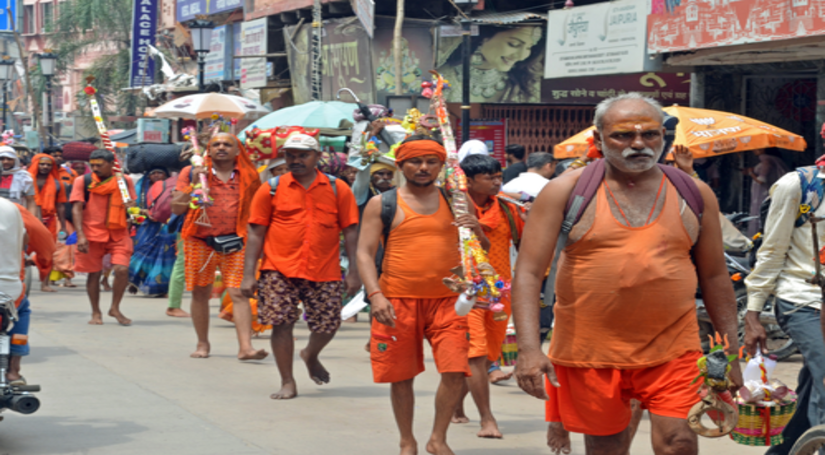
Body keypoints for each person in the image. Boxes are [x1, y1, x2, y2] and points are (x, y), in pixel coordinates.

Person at [511, 93, 743, 455]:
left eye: (650, 134)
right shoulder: (565, 191)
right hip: (589, 352)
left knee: (679, 443)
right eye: (623, 135)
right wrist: (528, 349)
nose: (638, 144)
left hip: (674, 349)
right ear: (599, 138)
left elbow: (715, 278)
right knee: (607, 449)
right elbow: (527, 272)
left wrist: (730, 355)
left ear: (663, 137)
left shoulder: (694, 193)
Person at [356, 136, 482, 455]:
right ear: (400, 165)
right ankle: (407, 440)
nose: (423, 167)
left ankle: (437, 439)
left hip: (448, 303)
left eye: (431, 161)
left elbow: (483, 254)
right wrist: (376, 296)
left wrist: (477, 231)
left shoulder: (458, 201)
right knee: (401, 376)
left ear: (442, 166)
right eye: (415, 161)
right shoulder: (382, 203)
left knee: (456, 371)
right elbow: (364, 253)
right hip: (396, 302)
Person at [242, 133, 361, 400]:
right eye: (290, 155)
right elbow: (256, 234)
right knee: (281, 324)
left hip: (324, 268)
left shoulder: (337, 188)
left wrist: (354, 271)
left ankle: (311, 354)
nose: (295, 160)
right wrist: (249, 274)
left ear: (317, 157)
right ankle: (287, 381)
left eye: (303, 155)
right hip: (278, 268)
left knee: (327, 324)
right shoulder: (270, 188)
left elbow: (351, 232)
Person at [744, 157, 825, 454]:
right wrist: (753, 313)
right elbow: (772, 250)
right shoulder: (799, 186)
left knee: (815, 384)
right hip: (803, 300)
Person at [172, 133, 268, 361]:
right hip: (199, 241)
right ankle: (202, 343)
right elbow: (176, 208)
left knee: (239, 292)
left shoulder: (249, 175)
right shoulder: (191, 172)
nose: (221, 148)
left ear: (237, 151)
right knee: (200, 291)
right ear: (208, 150)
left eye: (227, 144)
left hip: (236, 240)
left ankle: (246, 347)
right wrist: (195, 183)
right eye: (216, 144)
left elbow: (259, 211)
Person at [452, 153, 523, 439]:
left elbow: (523, 243)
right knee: (476, 353)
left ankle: (455, 404)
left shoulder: (508, 209)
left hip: (499, 291)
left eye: (498, 176)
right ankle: (487, 419)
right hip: (466, 292)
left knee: (488, 354)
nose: (497, 182)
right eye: (490, 178)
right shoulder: (450, 207)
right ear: (468, 181)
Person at [70, 149, 136, 326]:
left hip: (119, 232)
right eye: (92, 165)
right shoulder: (82, 181)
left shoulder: (125, 181)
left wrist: (132, 207)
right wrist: (81, 236)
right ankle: (96, 312)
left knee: (122, 270)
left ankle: (115, 307)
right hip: (91, 233)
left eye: (99, 165)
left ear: (111, 165)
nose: (95, 168)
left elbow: (132, 205)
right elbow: (76, 208)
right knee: (94, 274)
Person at [0, 198, 54, 385]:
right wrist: (43, 262)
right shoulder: (13, 209)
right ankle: (14, 370)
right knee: (21, 313)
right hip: (9, 290)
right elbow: (46, 243)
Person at [438, 26, 545, 103]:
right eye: (514, 44)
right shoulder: (442, 78)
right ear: (484, 38)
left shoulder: (527, 79)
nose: (521, 56)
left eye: (528, 47)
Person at [128, 167, 177, 297]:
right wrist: (145, 212)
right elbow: (133, 207)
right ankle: (136, 280)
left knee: (164, 256)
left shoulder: (172, 188)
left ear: (166, 175)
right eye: (152, 173)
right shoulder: (141, 188)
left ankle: (161, 288)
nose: (156, 175)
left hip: (166, 225)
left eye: (160, 172)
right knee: (141, 251)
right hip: (146, 225)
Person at [27, 153, 68, 293]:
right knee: (21, 250)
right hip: (26, 219)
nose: (45, 167)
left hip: (49, 221)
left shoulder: (58, 184)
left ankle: (45, 283)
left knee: (48, 252)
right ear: (35, 164)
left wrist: (63, 226)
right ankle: (19, 280)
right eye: (42, 164)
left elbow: (61, 205)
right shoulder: (24, 180)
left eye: (48, 165)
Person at [744, 149, 789, 237]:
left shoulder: (767, 161)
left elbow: (761, 180)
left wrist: (750, 173)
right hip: (765, 191)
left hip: (762, 192)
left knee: (760, 212)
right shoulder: (770, 160)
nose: (754, 150)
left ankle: (758, 235)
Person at [0, 147, 36, 214]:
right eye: (1, 159)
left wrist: (31, 221)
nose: (5, 161)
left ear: (15, 160)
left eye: (9, 159)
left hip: (16, 216)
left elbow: (30, 202)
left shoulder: (24, 177)